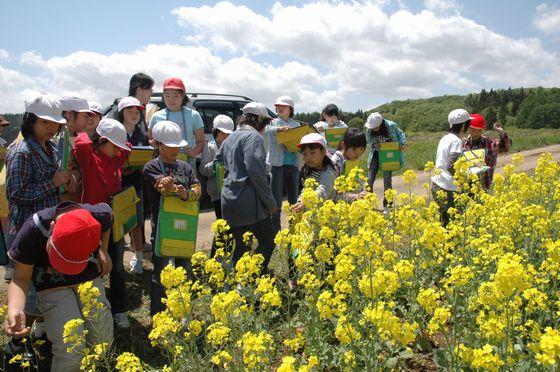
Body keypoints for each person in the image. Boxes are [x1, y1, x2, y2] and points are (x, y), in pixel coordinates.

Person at [5, 202, 114, 372]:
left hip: (87, 279)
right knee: (70, 347)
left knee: (103, 338)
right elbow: (20, 279)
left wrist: (103, 250)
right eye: (59, 258)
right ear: (52, 228)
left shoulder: (97, 215)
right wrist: (15, 308)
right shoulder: (33, 229)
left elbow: (109, 216)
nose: (65, 268)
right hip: (52, 284)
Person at [5, 94, 70, 288]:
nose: (51, 127)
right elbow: (15, 194)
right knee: (30, 285)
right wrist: (53, 183)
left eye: (54, 123)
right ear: (30, 121)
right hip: (29, 230)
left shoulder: (51, 148)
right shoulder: (22, 152)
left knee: (44, 285)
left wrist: (65, 181)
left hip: (47, 227)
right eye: (44, 122)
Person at [73, 118, 131, 329]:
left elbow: (128, 148)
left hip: (113, 222)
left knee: (117, 267)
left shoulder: (115, 157)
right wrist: (88, 130)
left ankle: (120, 310)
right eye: (114, 146)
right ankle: (91, 313)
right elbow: (82, 144)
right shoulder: (90, 159)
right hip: (90, 224)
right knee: (89, 268)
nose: (119, 151)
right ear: (102, 140)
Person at [143, 121, 201, 316]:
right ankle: (159, 315)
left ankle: (184, 313)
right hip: (161, 229)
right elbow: (159, 184)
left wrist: (186, 194)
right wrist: (165, 184)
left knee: (185, 271)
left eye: (177, 145)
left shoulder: (185, 167)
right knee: (160, 274)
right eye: (170, 145)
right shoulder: (151, 166)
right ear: (158, 144)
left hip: (184, 230)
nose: (175, 149)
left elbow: (197, 189)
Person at [216, 102, 276, 273]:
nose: (264, 128)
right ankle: (252, 277)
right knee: (268, 241)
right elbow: (255, 171)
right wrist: (270, 203)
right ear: (258, 119)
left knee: (242, 247)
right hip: (248, 202)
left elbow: (218, 161)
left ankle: (235, 284)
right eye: (265, 123)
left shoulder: (231, 138)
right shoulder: (253, 137)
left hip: (229, 200)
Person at [117, 97, 148, 274]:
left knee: (137, 221)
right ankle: (118, 260)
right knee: (119, 224)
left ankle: (138, 257)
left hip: (136, 184)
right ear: (122, 113)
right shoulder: (116, 132)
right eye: (130, 111)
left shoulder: (142, 135)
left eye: (137, 112)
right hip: (117, 186)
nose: (134, 115)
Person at [148, 77, 205, 169]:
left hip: (187, 164)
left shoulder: (193, 115)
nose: (171, 99)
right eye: (167, 95)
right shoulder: (156, 116)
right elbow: (150, 140)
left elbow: (201, 141)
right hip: (161, 164)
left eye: (175, 96)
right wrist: (155, 144)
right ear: (163, 96)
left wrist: (193, 152)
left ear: (183, 96)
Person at [266, 96, 301, 234]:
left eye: (283, 106)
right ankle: (276, 233)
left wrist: (293, 146)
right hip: (276, 165)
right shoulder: (273, 122)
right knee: (276, 201)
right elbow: (267, 130)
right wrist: (280, 130)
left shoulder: (296, 124)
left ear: (290, 109)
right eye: (278, 106)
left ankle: (294, 231)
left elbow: (301, 143)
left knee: (294, 199)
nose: (279, 108)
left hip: (293, 165)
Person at [431, 109, 471, 226]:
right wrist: (462, 180)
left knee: (443, 221)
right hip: (448, 187)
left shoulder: (445, 138)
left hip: (437, 183)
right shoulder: (456, 142)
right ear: (464, 125)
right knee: (452, 223)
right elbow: (451, 165)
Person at [364, 112, 406, 208]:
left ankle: (388, 205)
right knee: (369, 179)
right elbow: (368, 139)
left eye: (375, 127)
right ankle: (367, 204)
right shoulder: (370, 129)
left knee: (387, 180)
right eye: (371, 127)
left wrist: (401, 144)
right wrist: (374, 144)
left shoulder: (391, 126)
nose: (373, 129)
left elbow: (401, 134)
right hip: (375, 155)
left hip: (389, 156)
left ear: (380, 123)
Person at [59, 95, 95, 202]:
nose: (88, 121)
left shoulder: (73, 135)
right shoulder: (59, 136)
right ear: (70, 114)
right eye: (85, 116)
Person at [463, 114, 511, 189]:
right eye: (473, 129)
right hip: (466, 187)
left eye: (479, 130)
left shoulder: (489, 143)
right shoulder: (463, 144)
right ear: (468, 129)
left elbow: (505, 147)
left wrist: (501, 133)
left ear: (482, 129)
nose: (476, 133)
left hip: (484, 186)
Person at [199, 115, 234, 219]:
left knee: (232, 220)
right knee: (221, 220)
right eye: (222, 133)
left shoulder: (233, 146)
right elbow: (203, 170)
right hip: (216, 192)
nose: (225, 136)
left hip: (232, 190)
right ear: (215, 132)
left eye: (228, 134)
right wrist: (215, 164)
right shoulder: (209, 146)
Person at [292, 133, 338, 212]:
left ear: (323, 151)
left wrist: (305, 204)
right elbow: (306, 190)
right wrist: (300, 202)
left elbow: (323, 191)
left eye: (312, 153)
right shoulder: (309, 171)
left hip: (328, 214)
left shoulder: (329, 172)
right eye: (304, 154)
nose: (308, 157)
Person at [331, 128, 368, 202]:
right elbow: (333, 193)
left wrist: (363, 192)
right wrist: (354, 196)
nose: (358, 153)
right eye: (354, 149)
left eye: (361, 149)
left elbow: (360, 182)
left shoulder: (355, 160)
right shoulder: (335, 163)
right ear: (343, 145)